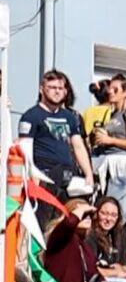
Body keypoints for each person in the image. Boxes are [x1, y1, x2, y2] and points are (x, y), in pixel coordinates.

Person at [19, 70, 95, 208]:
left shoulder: (69, 117)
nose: (57, 91)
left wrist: (88, 174)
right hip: (44, 175)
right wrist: (33, 176)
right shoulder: (31, 116)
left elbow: (78, 146)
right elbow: (25, 149)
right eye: (52, 87)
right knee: (44, 216)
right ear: (42, 89)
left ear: (65, 92)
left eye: (60, 88)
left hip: (67, 177)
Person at [42, 201, 123, 282]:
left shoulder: (83, 244)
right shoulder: (60, 236)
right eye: (84, 215)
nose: (88, 218)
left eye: (90, 216)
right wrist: (82, 208)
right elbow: (68, 224)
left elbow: (94, 273)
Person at [91, 75, 126, 238]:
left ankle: (119, 250)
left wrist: (111, 140)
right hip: (108, 167)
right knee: (107, 216)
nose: (110, 92)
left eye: (115, 89)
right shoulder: (112, 113)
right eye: (109, 88)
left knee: (116, 216)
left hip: (123, 170)